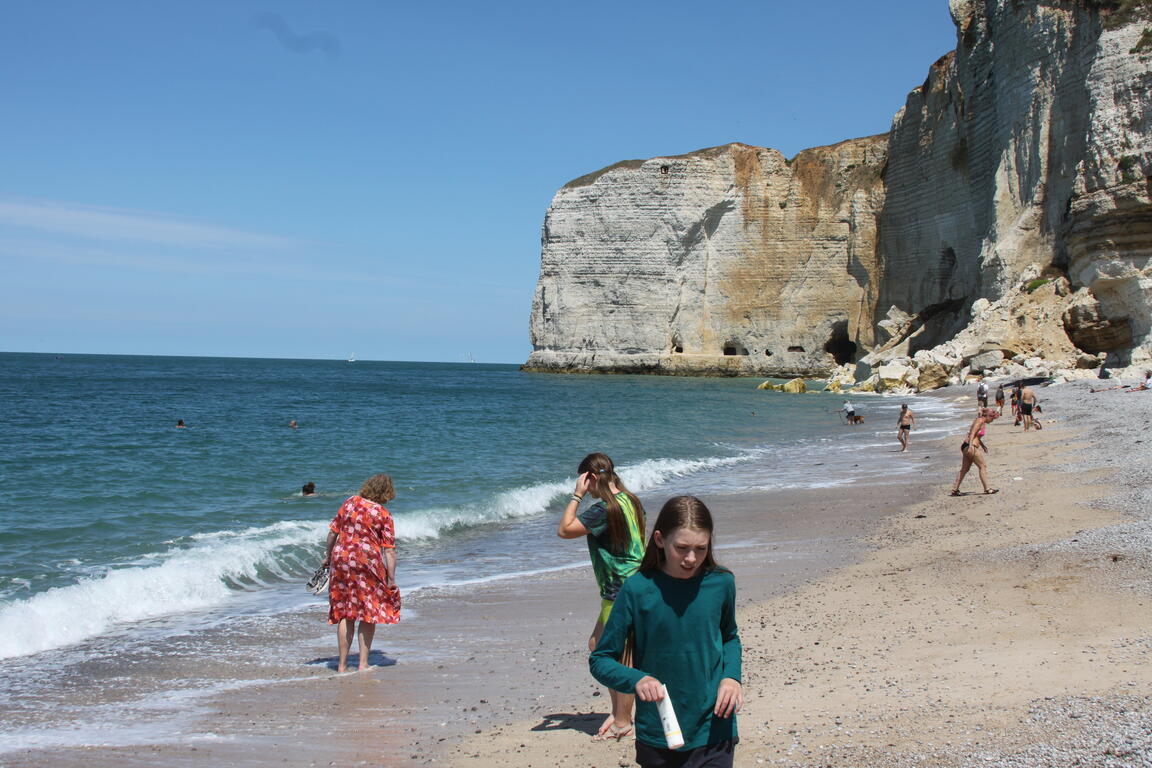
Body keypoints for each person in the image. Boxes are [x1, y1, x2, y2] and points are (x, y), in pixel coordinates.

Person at [590, 496, 742, 768]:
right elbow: (600, 659)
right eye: (682, 548)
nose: (692, 558)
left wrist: (731, 678)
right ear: (659, 540)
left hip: (715, 728)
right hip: (659, 732)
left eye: (701, 548)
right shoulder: (637, 590)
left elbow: (729, 637)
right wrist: (636, 679)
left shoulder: (721, 583)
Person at [557, 452, 647, 741]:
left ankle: (622, 720)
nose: (587, 489)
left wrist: (576, 496)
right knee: (604, 647)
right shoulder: (630, 500)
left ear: (591, 478)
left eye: (587, 482)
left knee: (612, 655)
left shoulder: (604, 508)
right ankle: (619, 713)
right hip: (635, 582)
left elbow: (565, 530)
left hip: (619, 589)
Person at [321, 473, 400, 672]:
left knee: (345, 612)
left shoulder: (349, 503)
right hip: (367, 563)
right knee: (368, 612)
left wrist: (328, 557)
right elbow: (389, 550)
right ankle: (363, 664)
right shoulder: (383, 514)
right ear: (386, 493)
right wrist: (391, 579)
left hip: (342, 560)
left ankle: (341, 665)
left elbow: (333, 532)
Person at [950, 408, 999, 496]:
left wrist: (983, 445)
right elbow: (972, 433)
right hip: (970, 446)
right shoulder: (979, 421)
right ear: (987, 416)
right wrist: (970, 446)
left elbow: (977, 436)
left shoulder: (982, 422)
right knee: (982, 466)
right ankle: (987, 489)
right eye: (992, 419)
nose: (992, 421)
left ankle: (955, 490)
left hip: (968, 446)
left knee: (965, 469)